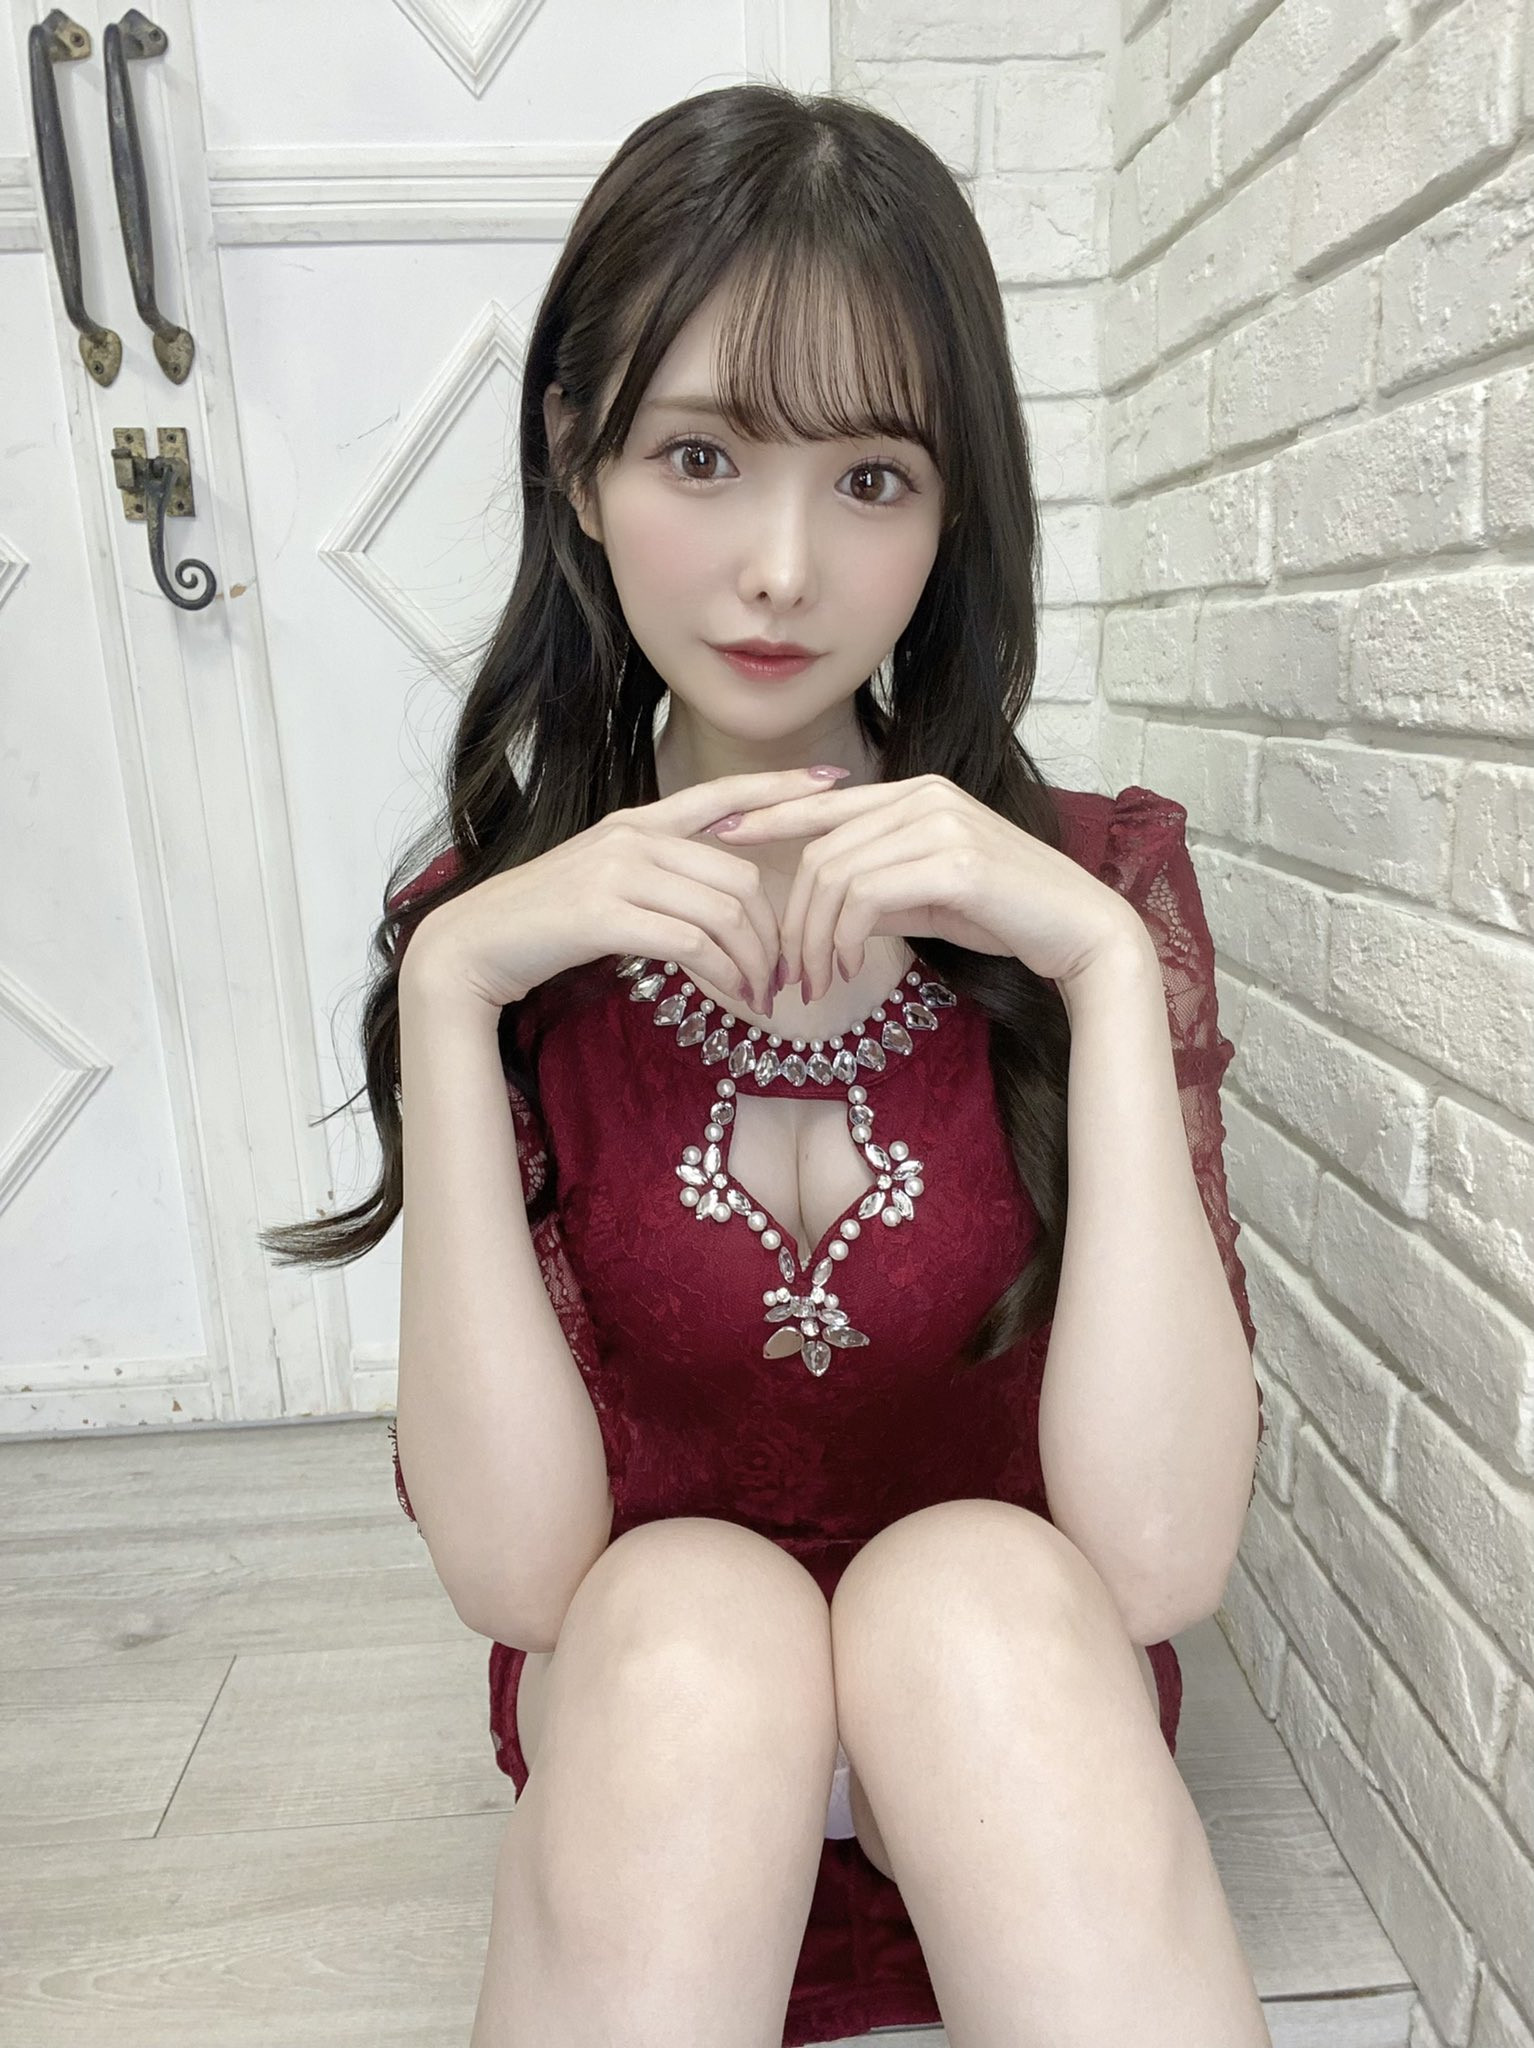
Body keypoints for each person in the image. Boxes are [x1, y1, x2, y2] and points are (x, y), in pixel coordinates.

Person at [264, 82, 1269, 2048]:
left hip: (1009, 1749)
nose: (782, 570)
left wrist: (1090, 960)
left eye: (871, 476)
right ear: (575, 461)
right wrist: (452, 986)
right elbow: (523, 1575)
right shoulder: (500, 935)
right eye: (702, 456)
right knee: (691, 1619)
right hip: (656, 1752)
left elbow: (1157, 1558)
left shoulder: (1089, 888)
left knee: (968, 1594)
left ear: (953, 510)